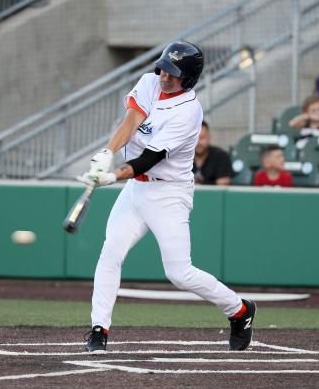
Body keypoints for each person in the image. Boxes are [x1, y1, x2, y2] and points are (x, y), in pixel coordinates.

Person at [78, 41, 256, 353]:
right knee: (111, 253)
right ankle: (98, 330)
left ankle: (240, 310)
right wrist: (106, 153)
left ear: (188, 78)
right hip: (137, 189)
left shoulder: (188, 113)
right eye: (164, 69)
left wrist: (111, 176)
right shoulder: (149, 82)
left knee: (179, 272)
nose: (165, 76)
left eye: (173, 74)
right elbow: (131, 121)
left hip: (168, 192)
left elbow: (148, 159)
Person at [193, 121, 233, 185]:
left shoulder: (221, 156)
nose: (198, 142)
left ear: (209, 138)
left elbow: (223, 184)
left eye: (202, 138)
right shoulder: (183, 157)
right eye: (194, 139)